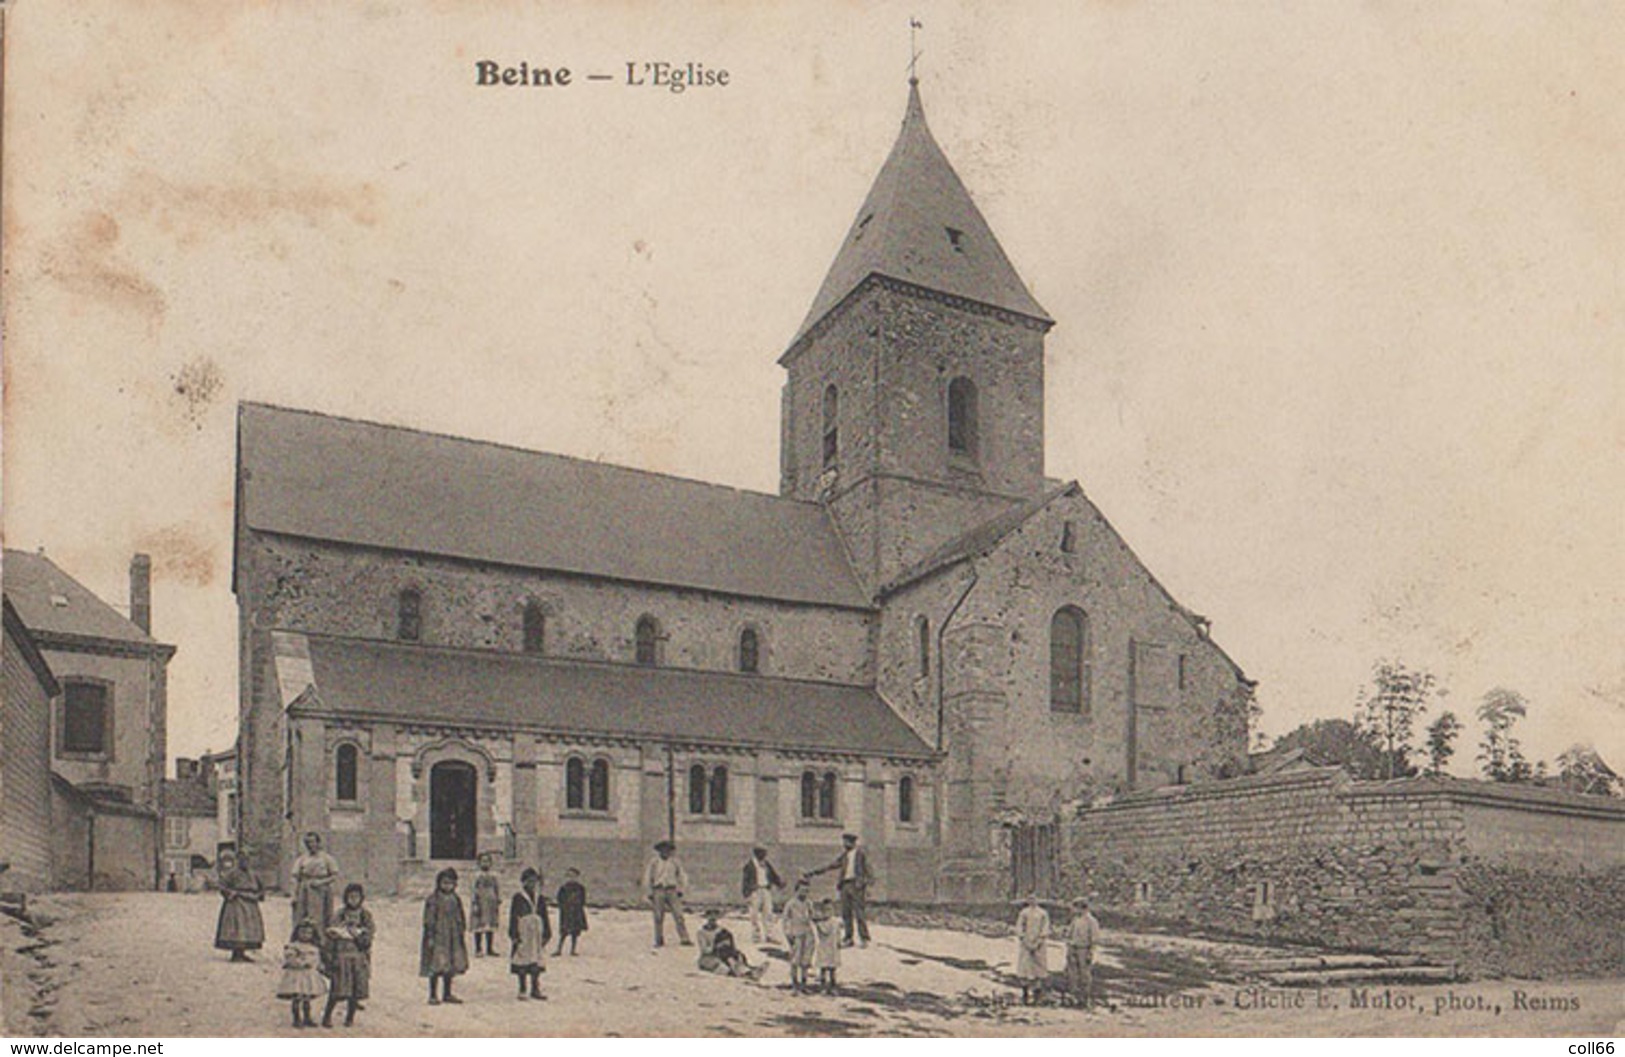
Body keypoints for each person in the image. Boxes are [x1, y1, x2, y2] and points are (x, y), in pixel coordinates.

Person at [806, 832, 873, 947]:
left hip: (857, 886)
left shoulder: (861, 854)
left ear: (852, 842)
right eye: (844, 841)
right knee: (845, 912)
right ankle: (848, 938)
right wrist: (814, 872)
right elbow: (832, 865)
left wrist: (867, 886)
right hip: (845, 885)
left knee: (859, 913)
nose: (844, 844)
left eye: (846, 841)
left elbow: (869, 871)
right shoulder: (845, 856)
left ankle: (864, 938)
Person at [322, 883, 373, 1029]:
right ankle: (327, 1016)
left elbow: (369, 935)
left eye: (357, 897)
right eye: (350, 897)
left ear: (361, 898)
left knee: (355, 990)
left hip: (357, 957)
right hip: (342, 956)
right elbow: (332, 933)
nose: (353, 900)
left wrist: (359, 935)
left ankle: (350, 1017)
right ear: (346, 898)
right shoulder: (340, 914)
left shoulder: (365, 915)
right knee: (337, 989)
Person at [421, 867, 470, 1005]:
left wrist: (461, 930)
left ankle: (447, 993)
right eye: (444, 883)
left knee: (450, 965)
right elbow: (429, 919)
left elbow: (461, 916)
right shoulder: (433, 899)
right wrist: (430, 935)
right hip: (438, 937)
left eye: (450, 883)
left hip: (453, 937)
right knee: (436, 965)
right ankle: (432, 994)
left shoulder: (455, 898)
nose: (447, 886)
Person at [213, 848, 265, 962]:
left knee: (248, 928)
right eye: (242, 859)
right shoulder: (231, 873)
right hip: (236, 904)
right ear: (237, 860)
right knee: (237, 927)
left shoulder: (254, 874)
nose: (244, 862)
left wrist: (259, 895)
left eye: (246, 859)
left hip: (250, 904)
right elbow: (222, 886)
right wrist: (230, 893)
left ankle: (243, 952)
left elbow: (261, 888)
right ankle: (236, 953)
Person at [508, 867, 551, 1000]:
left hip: (537, 931)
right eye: (529, 881)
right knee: (522, 959)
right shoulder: (518, 897)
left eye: (534, 882)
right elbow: (513, 916)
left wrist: (547, 933)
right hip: (524, 931)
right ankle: (522, 988)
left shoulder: (540, 898)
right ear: (523, 882)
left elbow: (544, 915)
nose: (531, 884)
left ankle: (535, 988)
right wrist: (514, 934)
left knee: (536, 959)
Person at [276, 919, 326, 1028]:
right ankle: (296, 1018)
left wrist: (319, 966)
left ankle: (307, 1017)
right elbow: (290, 958)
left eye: (308, 933)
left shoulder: (314, 947)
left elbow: (317, 959)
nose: (305, 935)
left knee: (307, 998)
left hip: (309, 975)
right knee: (297, 998)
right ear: (297, 933)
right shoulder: (293, 946)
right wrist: (300, 963)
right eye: (302, 932)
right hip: (297, 975)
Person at [642, 839, 691, 948]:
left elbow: (682, 876)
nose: (665, 852)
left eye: (668, 850)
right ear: (659, 851)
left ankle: (684, 938)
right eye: (663, 850)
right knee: (658, 916)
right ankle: (659, 939)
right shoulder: (654, 862)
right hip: (658, 890)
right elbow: (648, 877)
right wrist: (649, 892)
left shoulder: (675, 862)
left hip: (671, 890)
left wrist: (681, 890)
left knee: (679, 915)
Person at [291, 831, 341, 935]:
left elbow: (334, 876)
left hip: (321, 891)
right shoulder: (302, 859)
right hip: (304, 890)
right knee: (302, 916)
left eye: (313, 842)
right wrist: (294, 895)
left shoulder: (326, 858)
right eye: (308, 843)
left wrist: (321, 882)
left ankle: (321, 940)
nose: (310, 845)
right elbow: (295, 878)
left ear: (318, 843)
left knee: (320, 917)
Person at [1062, 897, 1101, 1010]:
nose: (1074, 911)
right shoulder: (1075, 920)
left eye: (1076, 908)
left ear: (1082, 908)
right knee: (1071, 972)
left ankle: (1085, 998)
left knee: (1084, 974)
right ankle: (1074, 996)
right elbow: (1070, 933)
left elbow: (1094, 939)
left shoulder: (1091, 921)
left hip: (1084, 949)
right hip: (1073, 948)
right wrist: (1068, 944)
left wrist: (1090, 952)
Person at [697, 909, 759, 978]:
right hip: (709, 957)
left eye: (714, 919)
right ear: (707, 919)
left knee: (737, 956)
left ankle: (748, 970)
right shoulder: (702, 932)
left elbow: (730, 943)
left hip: (723, 954)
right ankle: (745, 973)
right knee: (724, 968)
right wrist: (716, 946)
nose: (712, 921)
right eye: (710, 919)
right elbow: (705, 950)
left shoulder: (721, 930)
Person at [1013, 892, 1051, 1005]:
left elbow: (1045, 928)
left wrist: (1039, 941)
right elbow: (1019, 926)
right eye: (1029, 898)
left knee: (1038, 967)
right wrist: (1024, 939)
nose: (1032, 900)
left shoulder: (1043, 913)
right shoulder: (1024, 912)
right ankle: (1025, 994)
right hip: (1026, 943)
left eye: (1034, 898)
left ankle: (1037, 995)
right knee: (1025, 967)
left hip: (1039, 944)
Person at [740, 846, 783, 943]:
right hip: (754, 891)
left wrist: (780, 884)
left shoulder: (766, 864)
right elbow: (745, 881)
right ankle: (756, 936)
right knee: (754, 915)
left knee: (768, 914)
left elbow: (773, 875)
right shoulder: (749, 866)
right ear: (756, 854)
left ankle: (769, 935)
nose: (764, 856)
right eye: (762, 853)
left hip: (766, 891)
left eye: (765, 853)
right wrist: (746, 895)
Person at [781, 878, 815, 994]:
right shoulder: (791, 903)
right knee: (795, 960)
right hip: (796, 932)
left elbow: (812, 917)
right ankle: (794, 985)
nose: (804, 893)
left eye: (806, 891)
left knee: (806, 961)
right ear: (797, 890)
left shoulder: (809, 903)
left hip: (808, 933)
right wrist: (787, 934)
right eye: (802, 890)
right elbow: (785, 920)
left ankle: (804, 984)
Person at [471, 851, 501, 957]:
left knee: (490, 925)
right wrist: (474, 902)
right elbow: (474, 889)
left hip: (491, 902)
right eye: (483, 861)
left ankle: (490, 948)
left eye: (488, 861)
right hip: (480, 901)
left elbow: (497, 887)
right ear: (479, 863)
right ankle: (478, 948)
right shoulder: (477, 876)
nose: (485, 864)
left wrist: (498, 898)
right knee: (479, 925)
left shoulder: (494, 875)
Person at [553, 867, 588, 956]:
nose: (571, 878)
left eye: (573, 876)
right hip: (566, 913)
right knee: (564, 932)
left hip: (576, 912)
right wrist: (564, 907)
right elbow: (560, 899)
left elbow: (583, 900)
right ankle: (559, 949)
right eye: (569, 876)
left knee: (575, 932)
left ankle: (573, 950)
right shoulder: (564, 888)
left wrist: (578, 906)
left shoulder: (580, 888)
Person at [813, 898, 842, 994]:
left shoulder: (835, 921)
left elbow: (838, 932)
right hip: (825, 947)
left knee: (832, 969)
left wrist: (839, 941)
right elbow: (824, 932)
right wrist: (818, 923)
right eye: (825, 910)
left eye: (830, 910)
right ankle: (823, 986)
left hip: (833, 947)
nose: (828, 912)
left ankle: (833, 986)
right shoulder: (822, 923)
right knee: (823, 968)